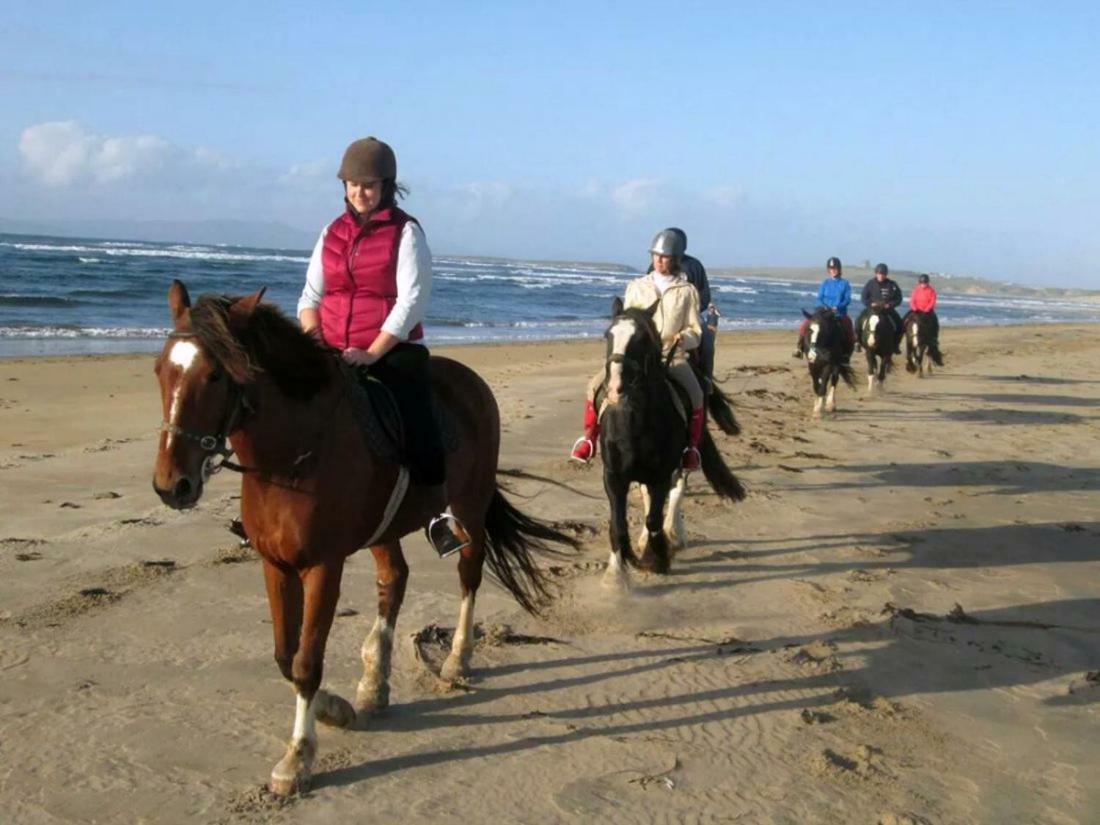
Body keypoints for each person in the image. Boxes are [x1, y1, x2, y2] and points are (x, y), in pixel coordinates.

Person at [297, 136, 467, 558]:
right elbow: (309, 296)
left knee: (415, 414)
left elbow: (412, 300)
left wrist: (373, 352)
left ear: (386, 185)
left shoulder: (406, 232)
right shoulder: (331, 232)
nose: (359, 192)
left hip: (391, 350)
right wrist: (315, 341)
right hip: (332, 348)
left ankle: (434, 511)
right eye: (353, 184)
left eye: (368, 184)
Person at [570, 229, 706, 472]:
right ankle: (589, 439)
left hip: (670, 355)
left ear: (675, 259)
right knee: (594, 385)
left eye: (664, 257)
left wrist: (684, 339)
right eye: (655, 255)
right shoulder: (636, 287)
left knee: (696, 395)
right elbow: (626, 322)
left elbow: (696, 331)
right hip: (636, 357)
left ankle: (690, 449)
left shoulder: (687, 292)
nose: (659, 260)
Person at [658, 228, 717, 390]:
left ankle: (706, 379)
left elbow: (704, 295)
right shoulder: (655, 264)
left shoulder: (694, 265)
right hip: (660, 317)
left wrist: (690, 311)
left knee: (707, 341)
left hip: (688, 316)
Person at [793, 256, 855, 359]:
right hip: (824, 312)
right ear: (828, 270)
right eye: (831, 269)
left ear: (839, 269)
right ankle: (799, 347)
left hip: (838, 313)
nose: (833, 271)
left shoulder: (845, 283)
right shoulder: (825, 283)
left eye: (835, 268)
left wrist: (838, 306)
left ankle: (848, 350)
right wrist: (824, 307)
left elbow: (847, 299)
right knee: (805, 324)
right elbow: (819, 298)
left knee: (848, 325)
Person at [857, 263, 904, 354]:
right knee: (858, 321)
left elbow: (899, 298)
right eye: (879, 274)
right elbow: (863, 298)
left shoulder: (892, 284)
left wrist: (890, 305)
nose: (881, 276)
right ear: (876, 274)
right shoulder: (870, 284)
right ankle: (858, 342)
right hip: (872, 310)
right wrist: (871, 304)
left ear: (886, 274)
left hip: (887, 311)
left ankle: (895, 345)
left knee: (900, 324)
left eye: (883, 274)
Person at [904, 273, 940, 344]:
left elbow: (933, 301)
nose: (923, 284)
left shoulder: (931, 290)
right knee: (904, 320)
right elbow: (912, 300)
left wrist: (927, 309)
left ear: (927, 283)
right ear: (919, 283)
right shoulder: (916, 289)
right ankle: (901, 334)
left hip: (927, 311)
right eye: (922, 283)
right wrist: (914, 308)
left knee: (935, 322)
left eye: (925, 283)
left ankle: (934, 338)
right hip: (916, 310)